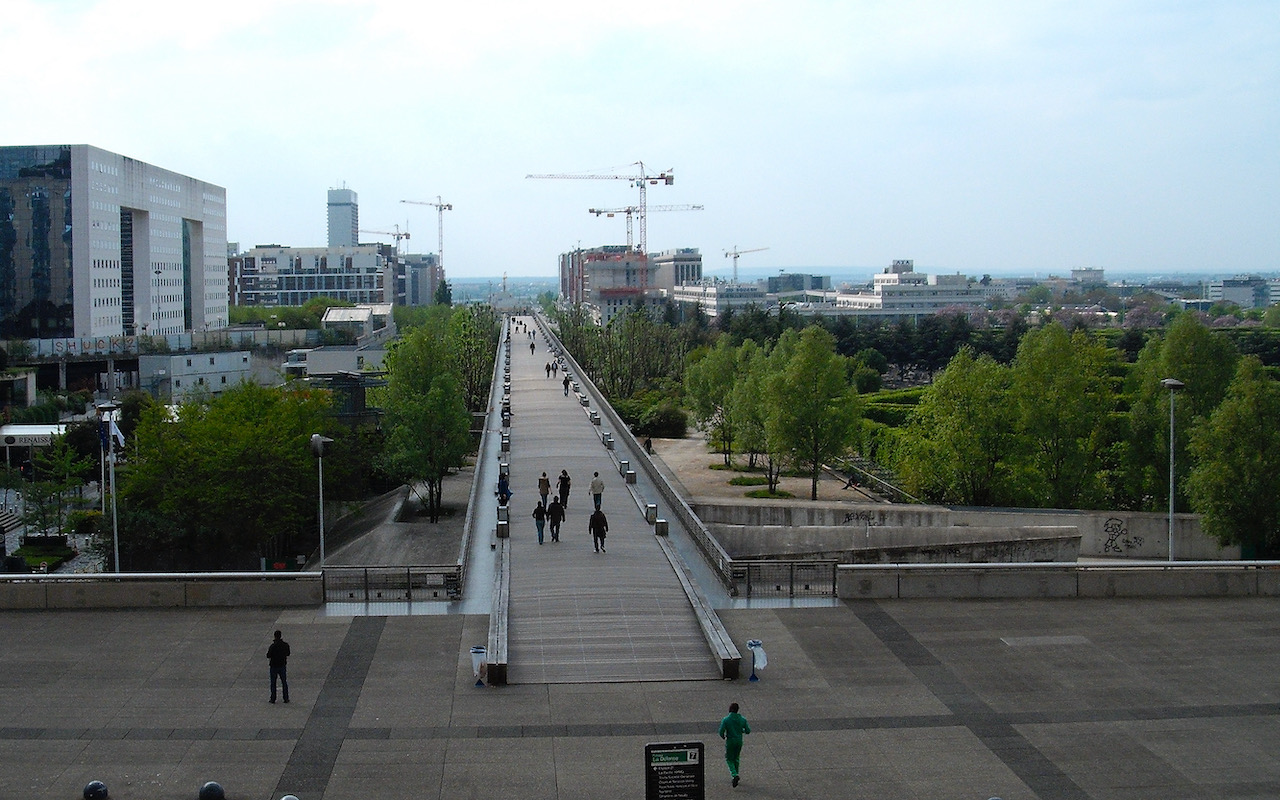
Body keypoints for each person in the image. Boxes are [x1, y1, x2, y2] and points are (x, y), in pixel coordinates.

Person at [718, 702, 751, 786]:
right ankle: (736, 773)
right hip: (739, 740)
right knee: (736, 758)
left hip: (730, 741)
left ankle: (734, 774)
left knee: (729, 758)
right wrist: (742, 731)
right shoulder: (742, 719)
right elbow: (748, 731)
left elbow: (721, 731)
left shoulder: (726, 719)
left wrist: (723, 736)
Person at [267, 630, 291, 704]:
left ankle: (273, 698)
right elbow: (288, 653)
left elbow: (268, 655)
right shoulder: (285, 645)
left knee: (273, 683)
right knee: (284, 682)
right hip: (282, 665)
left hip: (274, 666)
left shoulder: (273, 646)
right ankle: (286, 698)